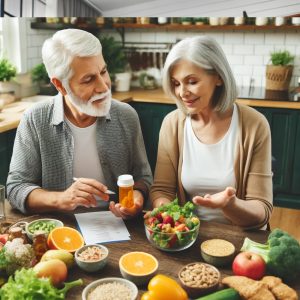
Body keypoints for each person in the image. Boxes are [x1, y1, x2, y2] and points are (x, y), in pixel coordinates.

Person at [7, 29, 152, 218]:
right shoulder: (35, 119)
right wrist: (62, 199)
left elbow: (143, 178)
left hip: (119, 228)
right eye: (89, 79)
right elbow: (16, 188)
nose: (103, 86)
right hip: (60, 231)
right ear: (60, 85)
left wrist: (137, 198)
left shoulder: (126, 116)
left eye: (103, 71)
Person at [150, 36, 273, 229]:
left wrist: (230, 205)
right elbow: (162, 190)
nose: (182, 93)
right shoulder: (172, 124)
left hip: (242, 237)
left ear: (218, 77)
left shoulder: (254, 124)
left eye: (191, 81)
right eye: (176, 83)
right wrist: (171, 219)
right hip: (192, 235)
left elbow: (262, 210)